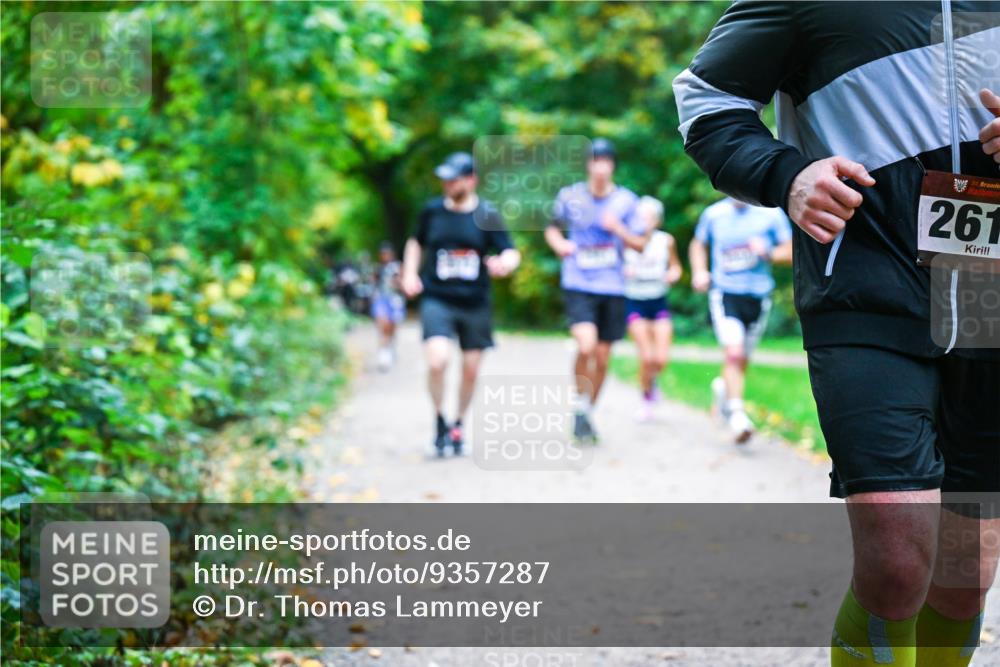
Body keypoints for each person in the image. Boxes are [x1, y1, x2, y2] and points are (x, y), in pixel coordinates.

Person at [675, 3, 999, 666]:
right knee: (898, 558)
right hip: (865, 285)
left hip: (992, 300)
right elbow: (704, 98)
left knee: (967, 576)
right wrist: (786, 175)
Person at [401, 151, 520, 457]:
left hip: (475, 302)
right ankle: (439, 419)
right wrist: (410, 273)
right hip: (438, 298)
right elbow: (416, 242)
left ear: (471, 180)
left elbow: (510, 250)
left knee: (470, 370)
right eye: (444, 179)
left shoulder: (487, 214)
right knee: (437, 360)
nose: (447, 184)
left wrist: (504, 263)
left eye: (453, 179)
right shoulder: (432, 211)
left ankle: (458, 424)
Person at [544, 138, 650, 443]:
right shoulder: (570, 196)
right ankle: (578, 401)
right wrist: (560, 244)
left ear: (612, 166)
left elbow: (641, 244)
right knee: (586, 345)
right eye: (594, 161)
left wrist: (618, 229)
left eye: (605, 161)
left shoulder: (627, 201)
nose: (600, 167)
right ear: (588, 165)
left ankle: (586, 411)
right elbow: (552, 227)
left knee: (602, 358)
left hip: (612, 286)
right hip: (578, 281)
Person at [688, 196, 792, 442]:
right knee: (733, 353)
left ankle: (723, 393)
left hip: (758, 295)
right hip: (725, 293)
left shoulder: (771, 214)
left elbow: (789, 250)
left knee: (742, 359)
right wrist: (700, 272)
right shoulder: (714, 214)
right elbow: (697, 245)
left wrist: (767, 252)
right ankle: (737, 416)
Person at [623, 195, 683, 422]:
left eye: (649, 217)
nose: (644, 221)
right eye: (640, 217)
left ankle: (652, 381)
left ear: (657, 220)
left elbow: (676, 266)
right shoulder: (626, 240)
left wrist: (673, 274)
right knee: (647, 357)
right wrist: (623, 272)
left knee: (661, 359)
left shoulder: (665, 241)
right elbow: (613, 267)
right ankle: (646, 399)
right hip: (634, 301)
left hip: (658, 301)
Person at [370, 241, 405, 371]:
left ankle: (390, 348)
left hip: (394, 300)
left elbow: (403, 283)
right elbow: (373, 283)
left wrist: (397, 282)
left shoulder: (397, 267)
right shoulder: (377, 268)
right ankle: (383, 354)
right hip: (381, 299)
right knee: (382, 325)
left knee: (391, 327)